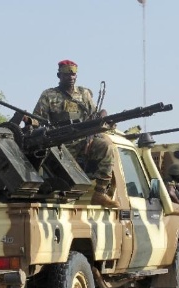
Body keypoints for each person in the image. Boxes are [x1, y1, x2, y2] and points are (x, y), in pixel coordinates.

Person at [31, 60, 119, 208]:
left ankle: (100, 193)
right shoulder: (49, 95)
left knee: (106, 146)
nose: (70, 77)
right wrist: (29, 122)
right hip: (60, 143)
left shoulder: (84, 94)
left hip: (84, 140)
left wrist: (101, 122)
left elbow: (95, 114)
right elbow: (38, 119)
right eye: (66, 74)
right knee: (65, 177)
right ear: (59, 75)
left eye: (73, 74)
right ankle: (64, 198)